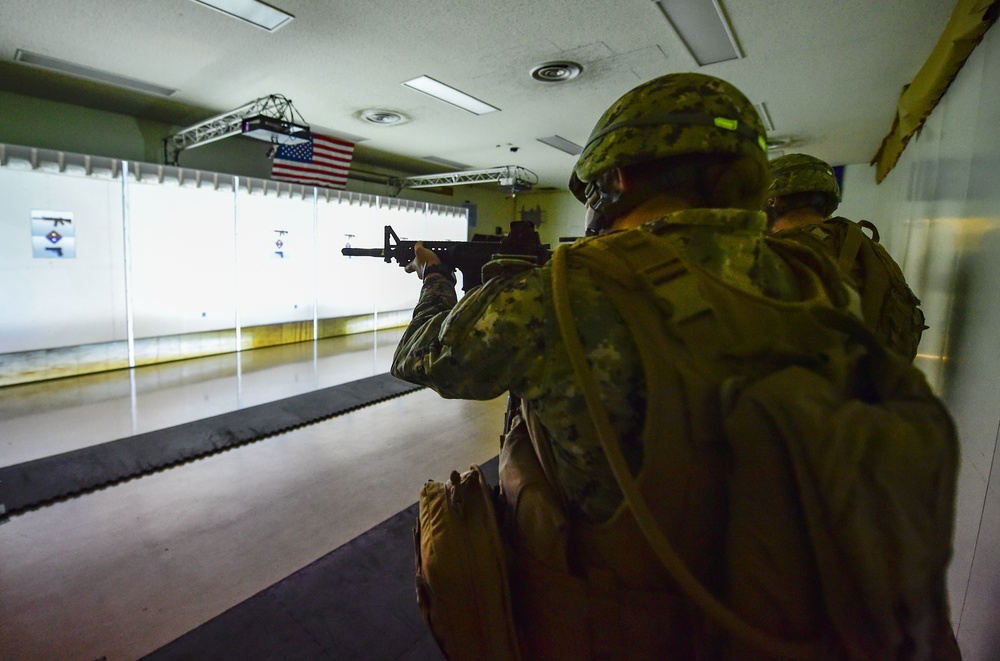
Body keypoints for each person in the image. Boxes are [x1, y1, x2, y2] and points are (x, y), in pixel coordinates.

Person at [392, 74, 959, 659]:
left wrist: (436, 279)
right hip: (785, 619)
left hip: (617, 627)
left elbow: (421, 357)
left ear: (615, 179)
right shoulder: (815, 279)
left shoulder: (571, 289)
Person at [766, 153, 926, 360]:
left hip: (813, 385)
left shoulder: (780, 250)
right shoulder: (867, 246)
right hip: (880, 381)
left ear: (772, 201)